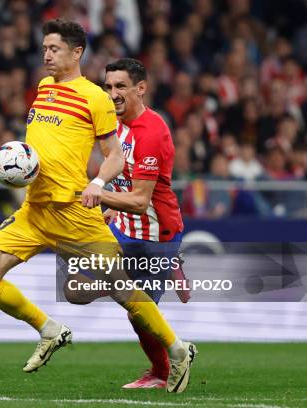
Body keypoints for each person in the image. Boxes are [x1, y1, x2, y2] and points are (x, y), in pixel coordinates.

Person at [0, 19, 195, 393]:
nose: (46, 55)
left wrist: (98, 184)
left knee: (124, 292)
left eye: (54, 49)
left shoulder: (96, 98)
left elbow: (115, 156)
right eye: (44, 48)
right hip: (34, 211)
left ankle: (178, 350)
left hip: (74, 213)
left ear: (76, 53)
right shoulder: (43, 88)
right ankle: (49, 330)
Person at [96, 58, 192, 389]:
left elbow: (140, 201)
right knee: (86, 281)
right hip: (125, 225)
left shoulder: (151, 133)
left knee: (139, 313)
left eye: (120, 86)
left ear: (141, 88)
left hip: (156, 233)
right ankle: (160, 370)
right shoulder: (114, 123)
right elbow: (123, 182)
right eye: (108, 87)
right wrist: (112, 205)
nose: (112, 94)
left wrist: (97, 194)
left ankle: (163, 372)